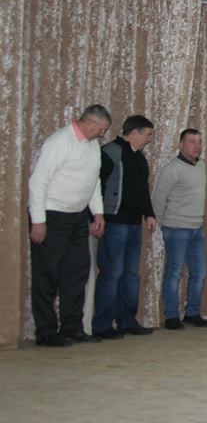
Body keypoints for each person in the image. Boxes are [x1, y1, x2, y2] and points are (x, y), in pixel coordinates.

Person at [28, 104, 110, 346]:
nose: (103, 134)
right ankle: (46, 332)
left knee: (76, 273)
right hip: (52, 215)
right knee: (47, 275)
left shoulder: (92, 145)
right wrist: (38, 220)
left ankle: (72, 328)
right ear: (90, 123)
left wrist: (98, 213)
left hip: (77, 216)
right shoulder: (60, 141)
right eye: (102, 129)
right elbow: (38, 182)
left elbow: (93, 181)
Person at [93, 114, 156, 339]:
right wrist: (96, 216)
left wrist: (149, 214)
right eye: (148, 134)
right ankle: (102, 324)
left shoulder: (140, 157)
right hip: (114, 222)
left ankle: (127, 320)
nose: (149, 139)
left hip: (133, 224)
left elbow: (143, 189)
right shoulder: (110, 152)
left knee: (131, 274)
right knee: (112, 273)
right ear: (134, 133)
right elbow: (97, 186)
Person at [153, 128, 207, 330]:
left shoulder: (201, 166)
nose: (197, 146)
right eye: (192, 141)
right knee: (174, 272)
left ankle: (192, 312)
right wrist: (162, 224)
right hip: (176, 228)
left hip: (196, 229)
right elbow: (159, 199)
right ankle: (171, 316)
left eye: (199, 142)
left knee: (199, 272)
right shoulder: (172, 169)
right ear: (181, 144)